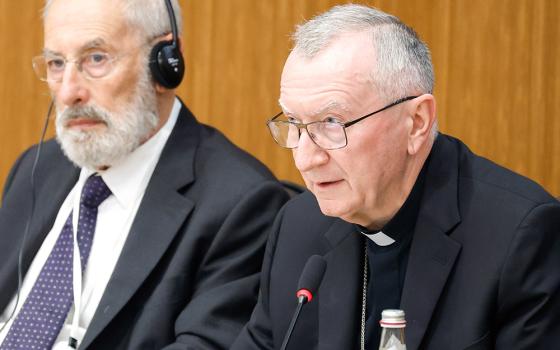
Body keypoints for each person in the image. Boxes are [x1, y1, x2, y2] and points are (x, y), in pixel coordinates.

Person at [232, 4, 560, 350]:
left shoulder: (520, 238)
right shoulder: (297, 228)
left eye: (332, 122)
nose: (305, 158)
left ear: (417, 121)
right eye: (295, 124)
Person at [0, 0, 288, 349]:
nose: (68, 92)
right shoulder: (37, 167)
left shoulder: (240, 204)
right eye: (57, 63)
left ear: (166, 62)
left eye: (96, 58)